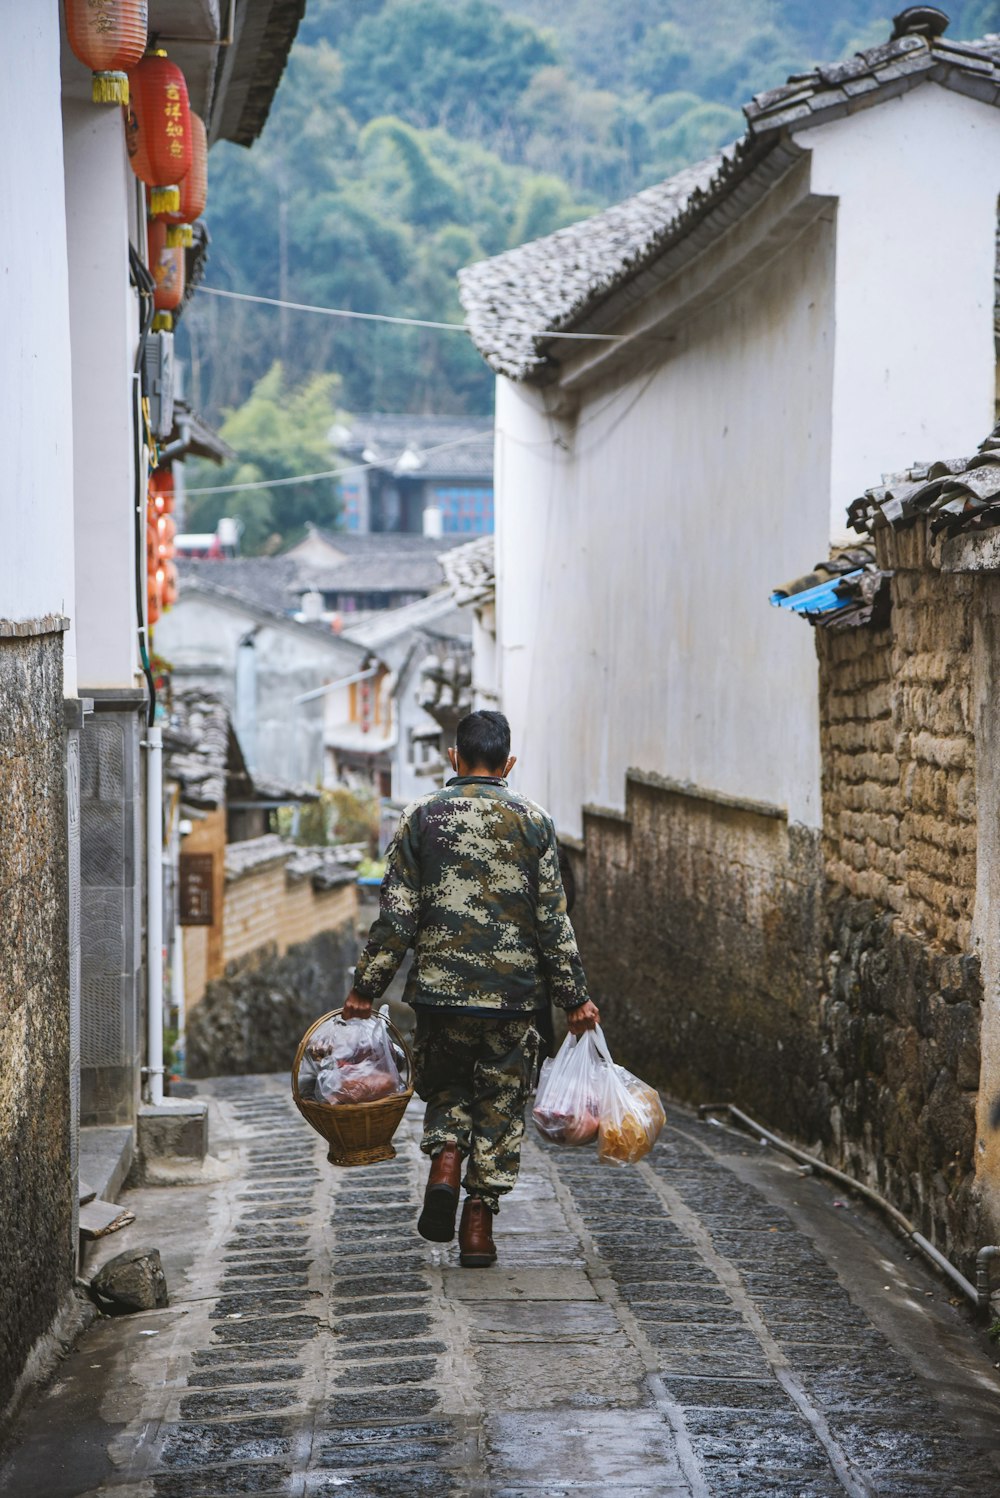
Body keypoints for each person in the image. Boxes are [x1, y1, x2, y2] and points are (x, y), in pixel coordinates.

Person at [344, 709, 600, 1268]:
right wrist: (575, 997)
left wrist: (367, 988)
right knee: (501, 1103)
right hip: (514, 996)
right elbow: (552, 921)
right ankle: (478, 1224)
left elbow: (397, 918)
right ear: (508, 763)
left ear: (453, 758)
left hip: (440, 994)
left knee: (446, 1088)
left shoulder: (421, 817)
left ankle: (445, 1162)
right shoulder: (535, 822)